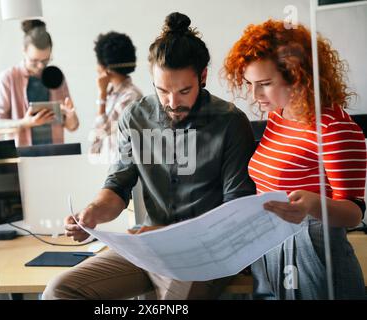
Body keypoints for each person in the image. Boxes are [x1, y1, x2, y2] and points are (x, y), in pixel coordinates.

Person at [42, 12, 256, 300]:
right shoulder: (135, 117)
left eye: (184, 91)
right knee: (59, 291)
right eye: (162, 90)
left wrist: (158, 232)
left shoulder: (231, 122)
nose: (172, 102)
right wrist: (91, 214)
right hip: (149, 250)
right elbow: (117, 187)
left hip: (205, 255)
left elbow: (235, 214)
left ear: (202, 76)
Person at [223, 19, 366, 299]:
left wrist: (313, 204)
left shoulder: (334, 129)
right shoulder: (279, 116)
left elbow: (354, 212)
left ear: (298, 75)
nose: (254, 95)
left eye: (264, 83)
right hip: (270, 246)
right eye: (250, 83)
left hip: (314, 251)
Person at [0, 20, 79, 147]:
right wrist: (26, 123)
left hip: (56, 154)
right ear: (24, 51)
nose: (40, 66)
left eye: (45, 60)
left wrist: (70, 115)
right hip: (23, 158)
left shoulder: (55, 76)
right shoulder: (6, 78)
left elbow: (73, 127)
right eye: (34, 61)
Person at [89, 31, 143, 160]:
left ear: (106, 67)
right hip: (103, 165)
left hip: (119, 169)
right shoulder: (111, 93)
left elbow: (102, 132)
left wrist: (101, 96)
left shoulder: (131, 97)